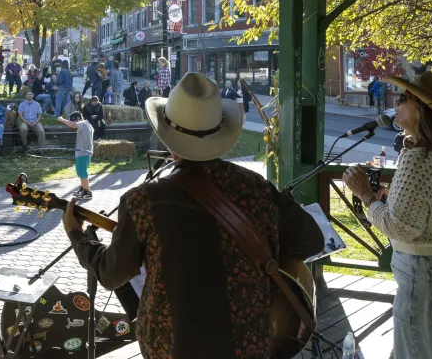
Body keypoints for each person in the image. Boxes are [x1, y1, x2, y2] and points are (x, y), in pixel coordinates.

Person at [62, 72, 323, 358]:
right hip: (247, 344)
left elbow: (112, 273)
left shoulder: (142, 202)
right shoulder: (258, 190)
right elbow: (311, 241)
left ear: (169, 138)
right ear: (220, 133)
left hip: (170, 347)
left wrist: (77, 235)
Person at [343, 71, 432, 359]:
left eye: (404, 98)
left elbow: (401, 227)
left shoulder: (419, 159)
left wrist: (366, 196)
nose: (396, 101)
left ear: (422, 110)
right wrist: (390, 197)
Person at [58, 111, 94, 200]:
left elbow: (73, 125)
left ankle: (87, 192)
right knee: (81, 171)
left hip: (83, 153)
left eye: (74, 121)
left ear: (77, 119)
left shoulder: (82, 123)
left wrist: (61, 119)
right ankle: (83, 189)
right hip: (85, 152)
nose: (75, 127)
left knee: (82, 172)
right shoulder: (88, 125)